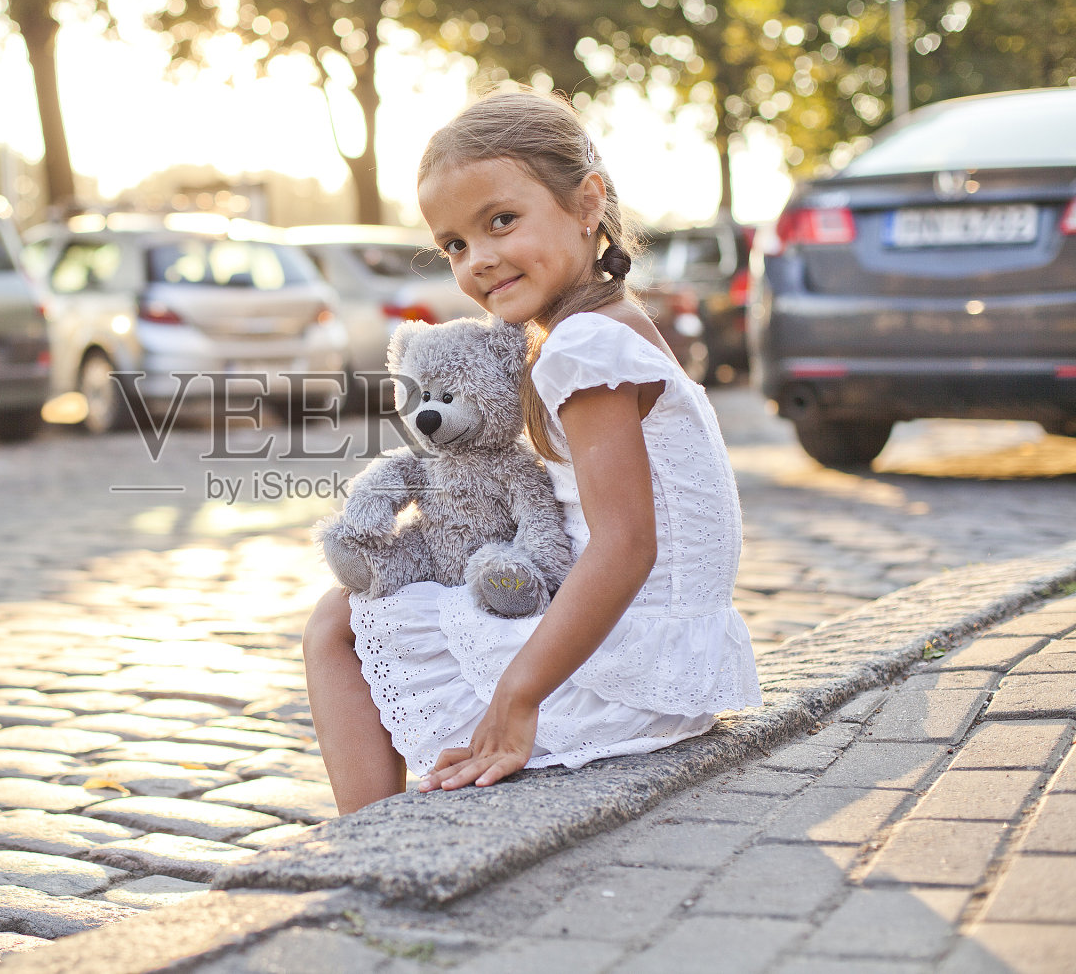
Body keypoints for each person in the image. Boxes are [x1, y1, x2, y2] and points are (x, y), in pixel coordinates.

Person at [304, 90, 763, 814]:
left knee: (338, 623)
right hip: (672, 656)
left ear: (587, 203)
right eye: (455, 244)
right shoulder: (610, 322)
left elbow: (626, 543)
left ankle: (369, 843)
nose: (479, 259)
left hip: (629, 673)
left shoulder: (582, 344)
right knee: (368, 609)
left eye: (501, 222)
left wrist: (518, 696)